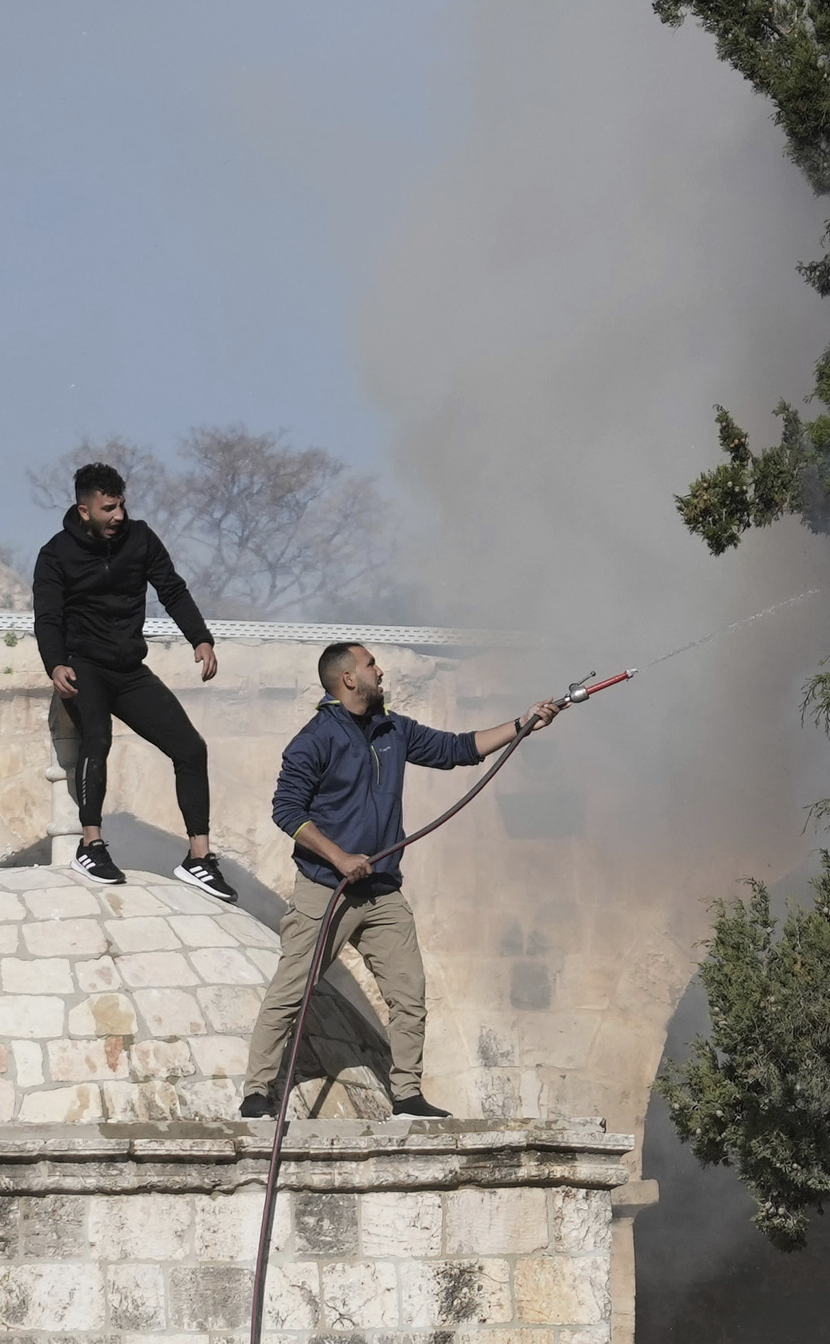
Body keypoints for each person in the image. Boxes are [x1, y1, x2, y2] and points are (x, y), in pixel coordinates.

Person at [242, 640, 555, 1120]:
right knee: (291, 991)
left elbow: (458, 749)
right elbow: (286, 810)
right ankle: (257, 1093)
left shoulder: (394, 730)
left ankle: (407, 1096)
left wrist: (522, 724)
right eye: (371, 664)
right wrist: (340, 857)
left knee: (409, 996)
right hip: (326, 890)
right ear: (348, 678)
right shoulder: (314, 739)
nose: (380, 670)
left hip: (384, 891)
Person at [29, 462, 232, 896]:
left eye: (121, 505)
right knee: (97, 740)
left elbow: (171, 589)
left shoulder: (139, 538)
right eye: (108, 508)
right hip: (84, 666)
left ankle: (199, 857)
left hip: (129, 669)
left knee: (191, 749)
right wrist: (55, 664)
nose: (119, 516)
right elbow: (48, 616)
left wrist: (200, 638)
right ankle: (91, 845)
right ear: (84, 510)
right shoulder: (55, 554)